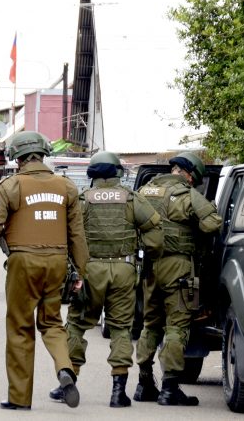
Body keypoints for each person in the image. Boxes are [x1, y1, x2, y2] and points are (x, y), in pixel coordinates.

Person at [0, 131, 89, 411]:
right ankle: (65, 368)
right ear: (43, 154)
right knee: (52, 322)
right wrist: (80, 273)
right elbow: (77, 235)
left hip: (23, 261)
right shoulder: (66, 187)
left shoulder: (10, 186)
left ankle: (19, 398)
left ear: (16, 157)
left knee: (20, 327)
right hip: (57, 262)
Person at [49, 151, 163, 408]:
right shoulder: (132, 198)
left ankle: (68, 380)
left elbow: (66, 236)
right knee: (121, 327)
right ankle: (118, 392)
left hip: (89, 270)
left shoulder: (81, 200)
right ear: (117, 173)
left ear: (92, 174)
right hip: (123, 270)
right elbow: (155, 237)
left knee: (77, 324)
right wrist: (143, 260)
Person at [133, 152, 222, 406]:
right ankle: (170, 388)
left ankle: (144, 384)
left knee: (151, 324)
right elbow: (212, 225)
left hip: (150, 267)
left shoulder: (145, 191)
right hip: (179, 267)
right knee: (176, 327)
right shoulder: (187, 195)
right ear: (189, 174)